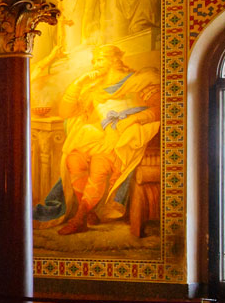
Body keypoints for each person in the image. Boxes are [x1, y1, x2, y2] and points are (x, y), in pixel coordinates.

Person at [34, 45, 161, 236]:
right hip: (98, 136)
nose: (95, 64)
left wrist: (132, 119)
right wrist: (79, 82)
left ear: (114, 60)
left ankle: (80, 217)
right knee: (73, 159)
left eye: (100, 59)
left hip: (125, 137)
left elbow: (160, 108)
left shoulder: (139, 80)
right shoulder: (93, 88)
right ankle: (87, 210)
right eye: (94, 60)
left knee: (100, 164)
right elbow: (66, 112)